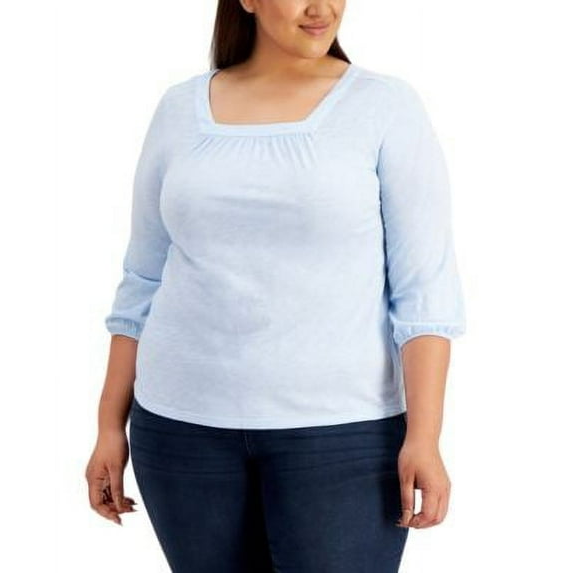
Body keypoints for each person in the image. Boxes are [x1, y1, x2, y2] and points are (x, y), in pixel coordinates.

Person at [85, 0, 466, 571]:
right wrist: (108, 426)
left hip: (342, 435)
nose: (321, 8)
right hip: (180, 431)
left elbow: (424, 291)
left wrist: (425, 437)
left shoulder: (384, 107)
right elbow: (143, 277)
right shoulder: (179, 108)